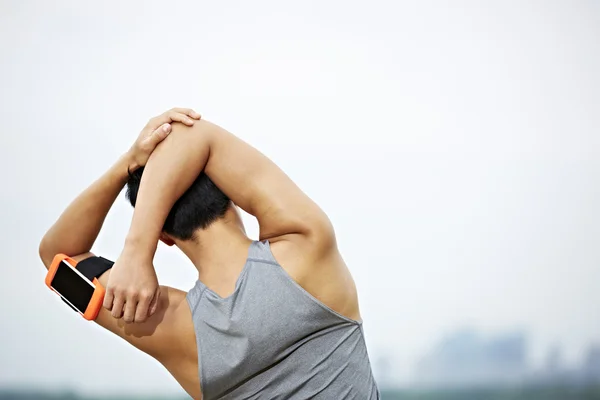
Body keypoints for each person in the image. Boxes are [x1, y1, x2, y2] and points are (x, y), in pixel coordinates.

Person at [39, 108, 380, 399]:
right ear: (231, 196)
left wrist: (128, 166)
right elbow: (191, 133)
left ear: (165, 237)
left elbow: (57, 257)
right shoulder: (306, 247)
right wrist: (136, 250)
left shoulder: (174, 329)